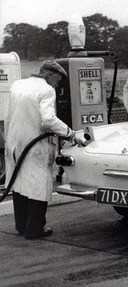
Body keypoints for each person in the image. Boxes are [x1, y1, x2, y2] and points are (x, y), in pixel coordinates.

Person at [4, 60, 83, 240]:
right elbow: (48, 120)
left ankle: (22, 226)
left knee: (19, 183)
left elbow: (8, 117)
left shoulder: (18, 85)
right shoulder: (46, 90)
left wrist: (9, 140)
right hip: (35, 146)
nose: (58, 83)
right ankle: (35, 229)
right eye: (58, 79)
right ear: (49, 74)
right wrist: (70, 134)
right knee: (39, 185)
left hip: (15, 144)